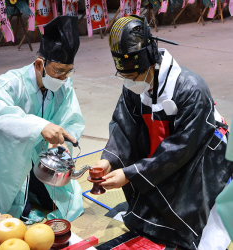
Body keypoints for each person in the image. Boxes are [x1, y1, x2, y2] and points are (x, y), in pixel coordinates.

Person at [93, 15, 233, 249]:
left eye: (133, 76)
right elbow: (123, 126)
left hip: (201, 158)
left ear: (151, 62)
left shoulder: (191, 88)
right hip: (165, 156)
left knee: (195, 226)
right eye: (124, 76)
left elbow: (181, 149)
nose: (129, 82)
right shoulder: (134, 85)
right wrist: (109, 160)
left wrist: (131, 174)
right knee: (147, 214)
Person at [0, 16, 85, 222]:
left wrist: (60, 142)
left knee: (60, 202)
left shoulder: (64, 86)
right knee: (4, 214)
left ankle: (31, 189)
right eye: (59, 72)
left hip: (40, 157)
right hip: (5, 156)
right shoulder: (9, 84)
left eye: (68, 72)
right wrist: (41, 126)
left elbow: (71, 119)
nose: (64, 79)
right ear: (40, 64)